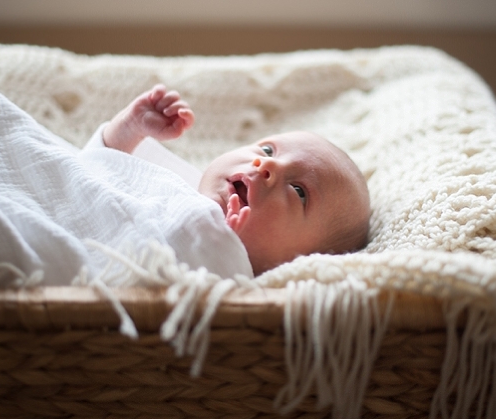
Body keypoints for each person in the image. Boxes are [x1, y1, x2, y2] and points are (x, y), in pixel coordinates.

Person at [99, 84, 370, 276]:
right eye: (268, 150)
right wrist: (128, 129)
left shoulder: (231, 280)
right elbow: (97, 174)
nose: (267, 164)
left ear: (304, 261)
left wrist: (218, 244)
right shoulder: (180, 181)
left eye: (299, 191)